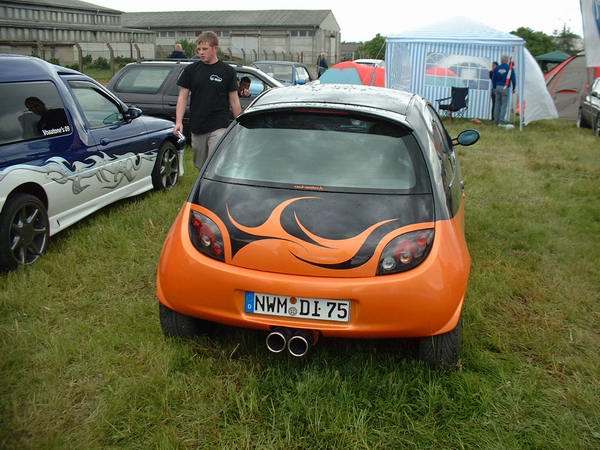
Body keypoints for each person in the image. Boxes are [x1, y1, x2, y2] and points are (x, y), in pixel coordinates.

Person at [173, 31, 241, 170]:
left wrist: (240, 122)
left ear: (215, 48)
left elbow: (234, 100)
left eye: (205, 49)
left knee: (214, 163)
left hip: (219, 124)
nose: (201, 52)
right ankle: (203, 185)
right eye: (198, 49)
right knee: (200, 165)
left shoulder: (227, 71)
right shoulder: (191, 70)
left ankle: (212, 189)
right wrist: (179, 122)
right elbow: (182, 97)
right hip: (198, 126)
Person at [491, 55, 516, 126]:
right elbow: (513, 79)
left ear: (501, 60)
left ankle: (496, 120)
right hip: (505, 87)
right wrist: (514, 88)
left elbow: (493, 78)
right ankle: (501, 121)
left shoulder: (497, 68)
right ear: (507, 60)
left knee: (497, 104)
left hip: (497, 87)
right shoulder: (509, 68)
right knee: (504, 105)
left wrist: (494, 87)